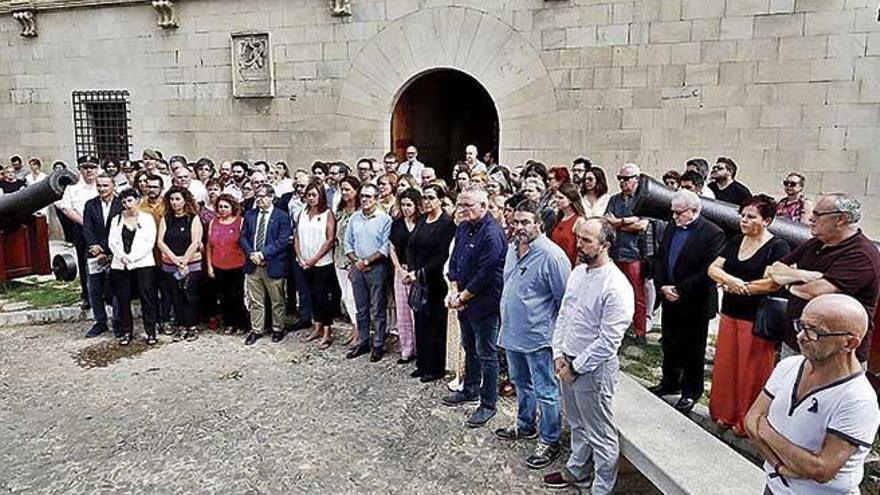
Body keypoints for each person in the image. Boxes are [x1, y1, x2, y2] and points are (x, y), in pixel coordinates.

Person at [744, 294, 880, 495]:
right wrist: (779, 467)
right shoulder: (788, 366)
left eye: (815, 332)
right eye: (801, 325)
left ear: (850, 344)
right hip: (774, 487)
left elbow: (821, 468)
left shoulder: (857, 399)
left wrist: (766, 431)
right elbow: (750, 421)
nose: (800, 336)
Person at [544, 218, 634, 493]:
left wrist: (577, 367)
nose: (579, 245)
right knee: (576, 422)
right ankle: (577, 468)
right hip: (567, 361)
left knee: (600, 432)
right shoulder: (578, 272)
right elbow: (565, 315)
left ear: (605, 245)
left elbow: (609, 340)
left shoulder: (616, 286)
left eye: (586, 241)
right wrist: (558, 353)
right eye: (579, 238)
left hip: (593, 369)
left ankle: (602, 487)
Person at [757, 193, 880, 365]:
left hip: (835, 354)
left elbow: (813, 292)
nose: (810, 219)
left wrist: (787, 284)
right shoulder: (815, 242)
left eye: (817, 214)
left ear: (841, 219)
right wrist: (804, 275)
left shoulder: (862, 254)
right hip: (796, 342)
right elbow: (773, 269)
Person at [707, 195, 791, 435]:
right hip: (731, 312)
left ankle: (747, 421)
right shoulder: (735, 241)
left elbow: (771, 283)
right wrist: (731, 281)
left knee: (751, 371)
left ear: (767, 221)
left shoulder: (778, 246)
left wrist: (740, 287)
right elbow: (713, 267)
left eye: (751, 217)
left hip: (756, 317)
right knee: (727, 366)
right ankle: (725, 413)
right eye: (742, 215)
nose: (744, 220)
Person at [495, 200, 570, 469]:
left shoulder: (553, 256)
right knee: (520, 383)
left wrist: (559, 340)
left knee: (546, 390)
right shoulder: (513, 250)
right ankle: (525, 424)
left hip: (539, 337)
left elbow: (564, 302)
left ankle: (549, 439)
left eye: (525, 222)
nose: (519, 227)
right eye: (516, 222)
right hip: (513, 333)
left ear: (539, 223)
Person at [651, 190, 725, 413]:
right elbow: (661, 257)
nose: (674, 217)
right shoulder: (673, 226)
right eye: (673, 212)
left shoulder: (713, 233)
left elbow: (708, 270)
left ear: (694, 210)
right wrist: (662, 285)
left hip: (695, 301)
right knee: (670, 343)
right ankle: (670, 382)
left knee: (693, 348)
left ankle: (691, 391)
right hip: (670, 296)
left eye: (679, 213)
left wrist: (680, 289)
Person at [443, 186, 507, 428]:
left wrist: (462, 296)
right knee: (469, 346)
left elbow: (486, 273)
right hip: (464, 300)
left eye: (468, 205)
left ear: (484, 206)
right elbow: (456, 261)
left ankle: (488, 403)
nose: (463, 210)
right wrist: (453, 290)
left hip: (485, 302)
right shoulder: (462, 227)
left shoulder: (492, 233)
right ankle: (469, 388)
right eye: (461, 205)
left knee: (486, 353)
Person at [405, 184, 456, 381]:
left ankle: (435, 368)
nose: (426, 202)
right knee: (420, 322)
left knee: (435, 324)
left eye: (430, 198)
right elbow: (411, 246)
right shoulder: (422, 220)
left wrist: (420, 272)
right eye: (424, 198)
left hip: (435, 281)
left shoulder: (446, 224)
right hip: (420, 280)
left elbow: (442, 255)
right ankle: (423, 363)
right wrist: (411, 269)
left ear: (440, 199)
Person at [344, 183, 393, 362]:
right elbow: (347, 243)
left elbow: (384, 248)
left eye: (369, 196)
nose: (365, 199)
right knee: (361, 308)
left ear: (376, 198)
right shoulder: (354, 218)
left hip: (377, 268)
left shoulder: (385, 219)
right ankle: (363, 341)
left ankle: (378, 344)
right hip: (357, 268)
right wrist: (357, 261)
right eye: (363, 196)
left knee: (378, 308)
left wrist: (366, 261)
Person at [108, 188, 160, 346]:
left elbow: (149, 242)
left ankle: (151, 331)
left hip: (143, 264)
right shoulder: (116, 219)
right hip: (120, 265)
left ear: (137, 200)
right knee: (123, 299)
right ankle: (126, 332)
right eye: (124, 202)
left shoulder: (147, 218)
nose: (127, 204)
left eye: (130, 200)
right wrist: (121, 256)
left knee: (147, 298)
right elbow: (112, 242)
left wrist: (132, 258)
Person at [241, 185, 292, 345]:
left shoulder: (282, 216)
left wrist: (263, 254)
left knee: (277, 299)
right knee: (255, 300)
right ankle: (257, 329)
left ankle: (278, 328)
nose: (259, 199)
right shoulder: (250, 215)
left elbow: (283, 240)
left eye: (263, 196)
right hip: (253, 264)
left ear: (271, 197)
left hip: (273, 263)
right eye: (257, 196)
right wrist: (252, 254)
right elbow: (243, 237)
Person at [604, 163, 648, 345]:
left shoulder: (644, 200)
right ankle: (618, 328)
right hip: (615, 252)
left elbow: (642, 225)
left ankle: (640, 331)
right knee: (615, 293)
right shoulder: (614, 200)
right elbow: (607, 221)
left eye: (626, 179)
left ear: (636, 179)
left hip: (634, 254)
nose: (622, 182)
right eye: (619, 179)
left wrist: (619, 222)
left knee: (637, 294)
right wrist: (628, 222)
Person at [295, 180, 339, 350]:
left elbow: (330, 239)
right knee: (311, 295)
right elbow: (297, 236)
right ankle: (317, 327)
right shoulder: (302, 213)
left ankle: (327, 332)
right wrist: (300, 257)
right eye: (309, 195)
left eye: (315, 195)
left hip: (322, 262)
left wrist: (314, 259)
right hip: (305, 262)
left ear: (321, 196)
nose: (311, 198)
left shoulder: (328, 213)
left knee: (322, 297)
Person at [156, 186, 203, 342]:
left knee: (190, 295)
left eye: (178, 199)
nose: (175, 203)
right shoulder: (166, 218)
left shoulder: (193, 218)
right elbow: (160, 241)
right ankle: (181, 326)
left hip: (191, 264)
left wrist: (184, 260)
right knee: (175, 296)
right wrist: (174, 259)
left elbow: (196, 241)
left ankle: (192, 326)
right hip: (170, 264)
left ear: (185, 200)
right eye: (172, 199)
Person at [81, 174, 123, 338]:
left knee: (117, 289)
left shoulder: (121, 204)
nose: (102, 189)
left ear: (113, 186)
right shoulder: (90, 205)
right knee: (95, 289)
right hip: (94, 254)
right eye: (99, 186)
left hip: (115, 253)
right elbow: (87, 228)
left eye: (105, 185)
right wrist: (94, 247)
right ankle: (100, 322)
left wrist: (107, 251)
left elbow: (121, 229)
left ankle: (118, 322)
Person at [58, 155, 101, 309]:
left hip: (103, 229)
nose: (89, 171)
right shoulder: (72, 189)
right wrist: (85, 223)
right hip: (81, 228)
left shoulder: (103, 185)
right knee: (85, 263)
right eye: (85, 167)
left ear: (98, 169)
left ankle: (105, 294)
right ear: (80, 170)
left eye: (92, 167)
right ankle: (87, 295)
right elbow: (66, 208)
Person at [205, 194, 249, 334]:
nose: (223, 209)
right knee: (223, 297)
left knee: (237, 296)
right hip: (218, 265)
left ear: (232, 207)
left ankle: (241, 324)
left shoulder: (240, 222)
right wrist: (209, 266)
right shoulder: (213, 222)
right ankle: (228, 323)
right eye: (220, 207)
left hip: (237, 265)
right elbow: (209, 246)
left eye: (226, 206)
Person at [390, 188, 421, 364]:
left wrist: (414, 272)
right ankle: (406, 349)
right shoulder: (397, 224)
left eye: (409, 205)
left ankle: (419, 348)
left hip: (417, 272)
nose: (406, 208)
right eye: (403, 205)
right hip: (401, 270)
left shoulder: (422, 222)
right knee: (402, 313)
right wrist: (399, 269)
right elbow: (391, 248)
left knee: (416, 311)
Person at [334, 176, 362, 345]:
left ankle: (360, 328)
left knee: (354, 295)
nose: (344, 193)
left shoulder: (359, 212)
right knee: (346, 296)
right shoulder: (340, 211)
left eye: (347, 189)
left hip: (354, 258)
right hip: (339, 257)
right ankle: (354, 325)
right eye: (342, 189)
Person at [550, 182, 586, 266]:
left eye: (561, 198)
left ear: (570, 200)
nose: (557, 200)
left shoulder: (579, 221)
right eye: (556, 197)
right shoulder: (558, 219)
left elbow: (582, 249)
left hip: (570, 266)